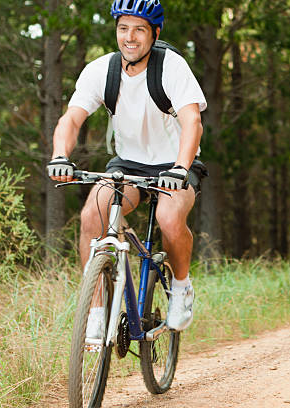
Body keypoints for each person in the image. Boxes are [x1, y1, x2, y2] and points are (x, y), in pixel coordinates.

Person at [47, 0, 207, 337]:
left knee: (168, 218)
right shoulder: (101, 71)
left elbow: (193, 120)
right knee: (93, 216)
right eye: (123, 28)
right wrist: (60, 155)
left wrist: (181, 167)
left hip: (174, 162)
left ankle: (181, 288)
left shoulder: (171, 67)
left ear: (155, 33)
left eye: (139, 29)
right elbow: (71, 119)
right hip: (129, 162)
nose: (130, 37)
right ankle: (96, 310)